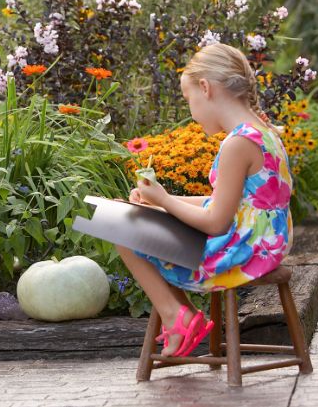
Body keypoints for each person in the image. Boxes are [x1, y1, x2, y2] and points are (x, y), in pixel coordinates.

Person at [118, 43, 293, 357]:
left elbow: (216, 223)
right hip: (263, 242)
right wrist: (162, 200)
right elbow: (234, 204)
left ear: (205, 87)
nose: (191, 110)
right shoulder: (262, 132)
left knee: (123, 228)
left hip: (242, 251)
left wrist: (164, 203)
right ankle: (182, 316)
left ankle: (177, 316)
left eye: (188, 100)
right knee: (136, 214)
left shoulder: (237, 143)